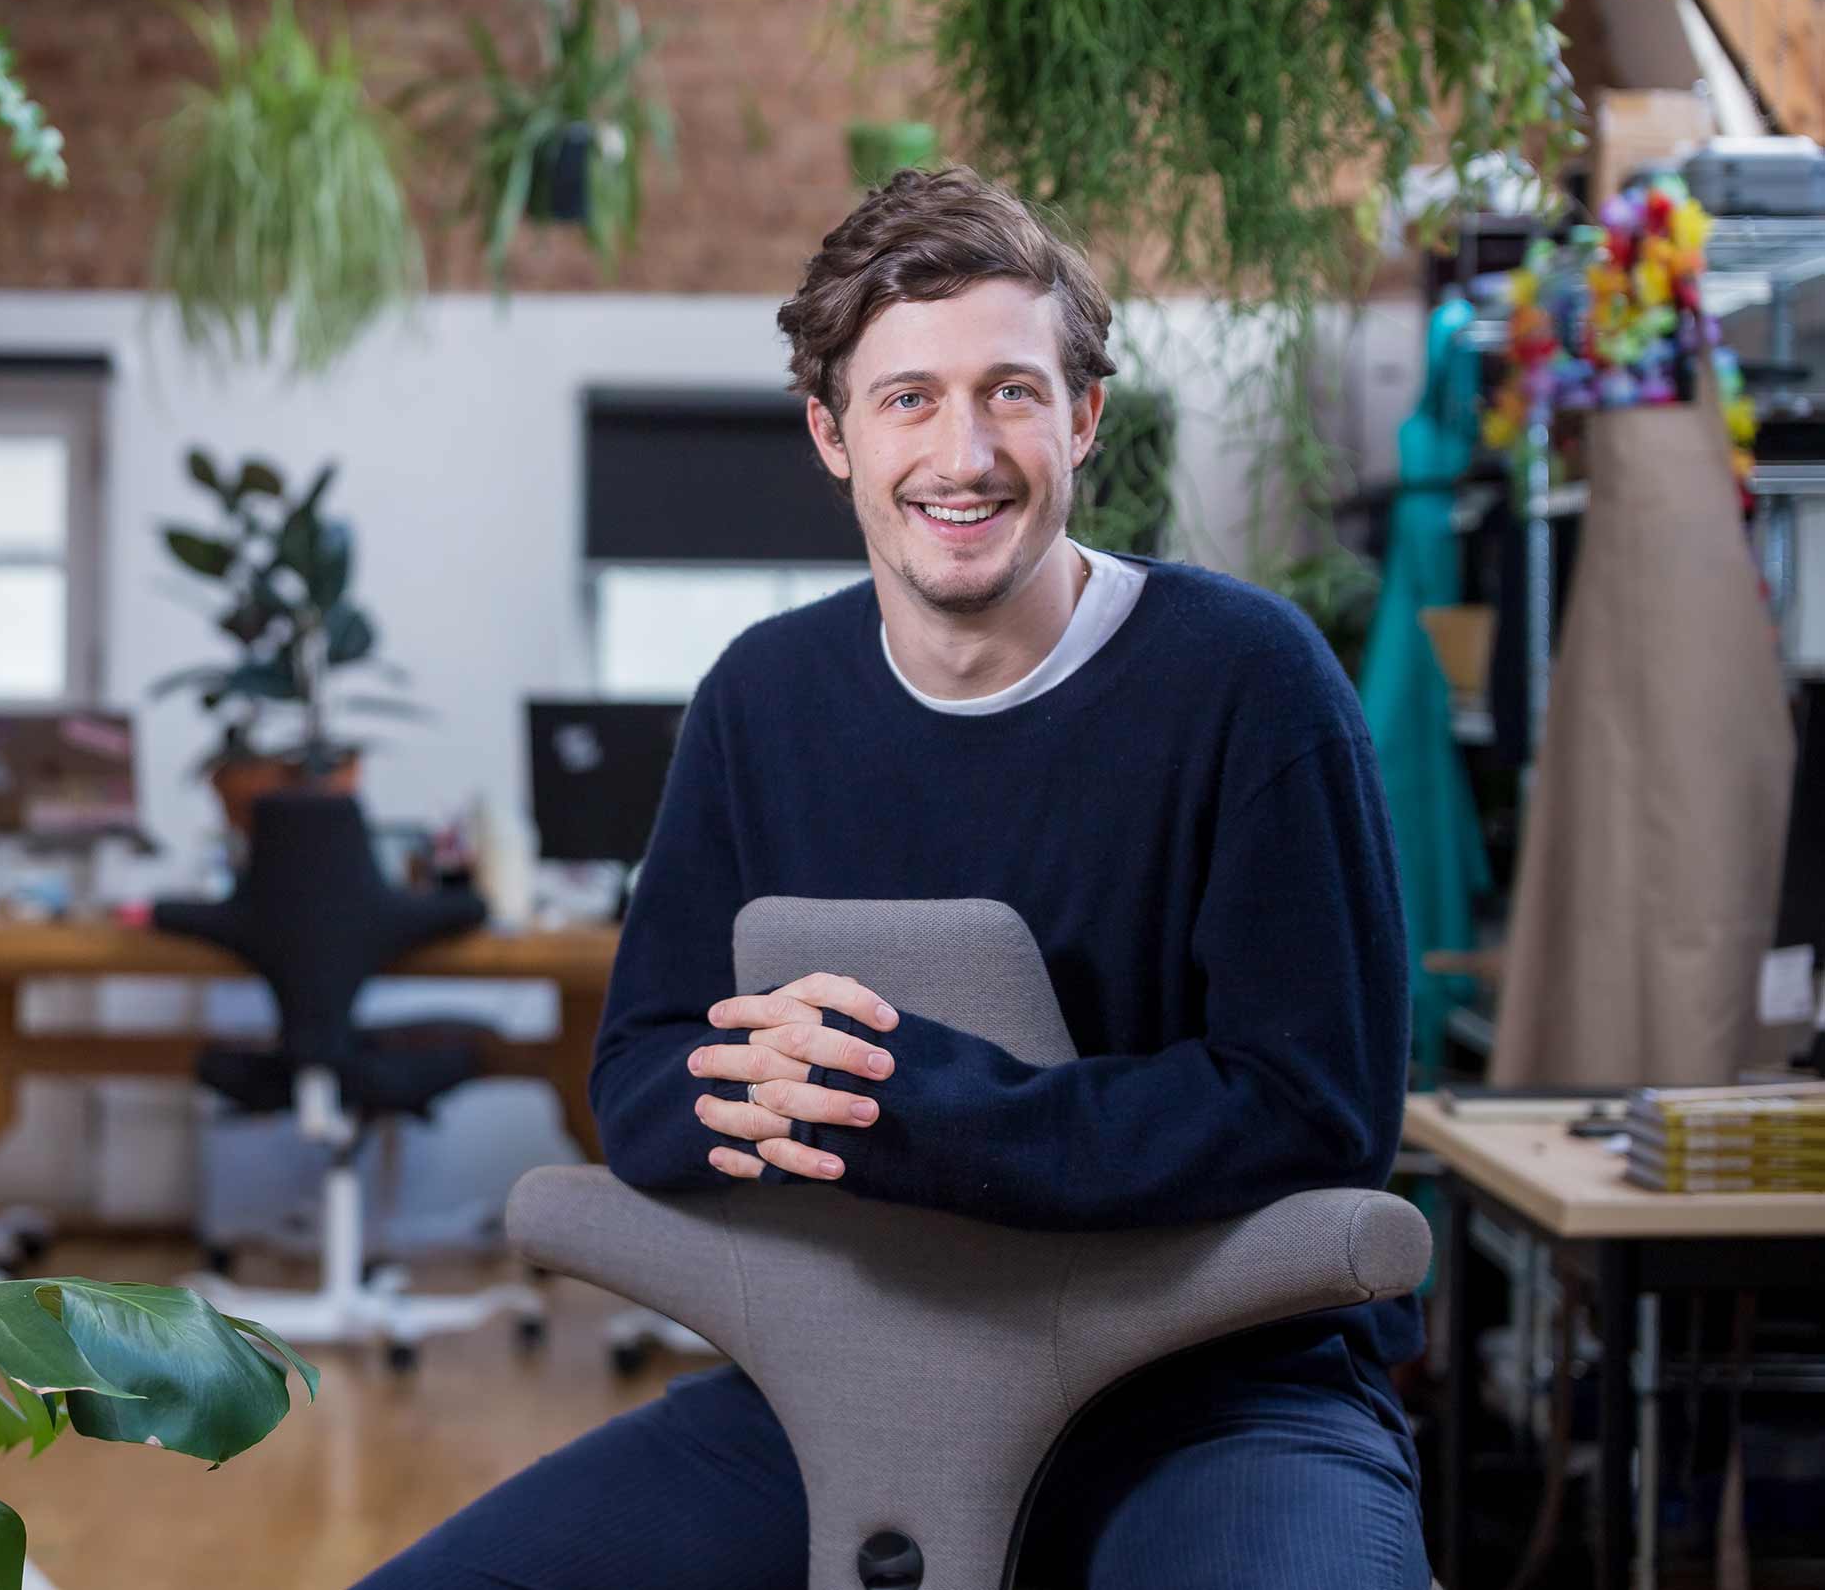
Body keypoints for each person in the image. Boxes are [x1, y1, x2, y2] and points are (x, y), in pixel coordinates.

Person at [356, 167, 1425, 1589]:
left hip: (1207, 1398)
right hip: (845, 1387)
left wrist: (906, 1104)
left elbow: (1316, 1109)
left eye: (1011, 392)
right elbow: (640, 1080)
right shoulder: (761, 699)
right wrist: (771, 1090)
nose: (962, 450)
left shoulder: (1243, 680)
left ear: (1082, 417)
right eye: (907, 398)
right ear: (832, 436)